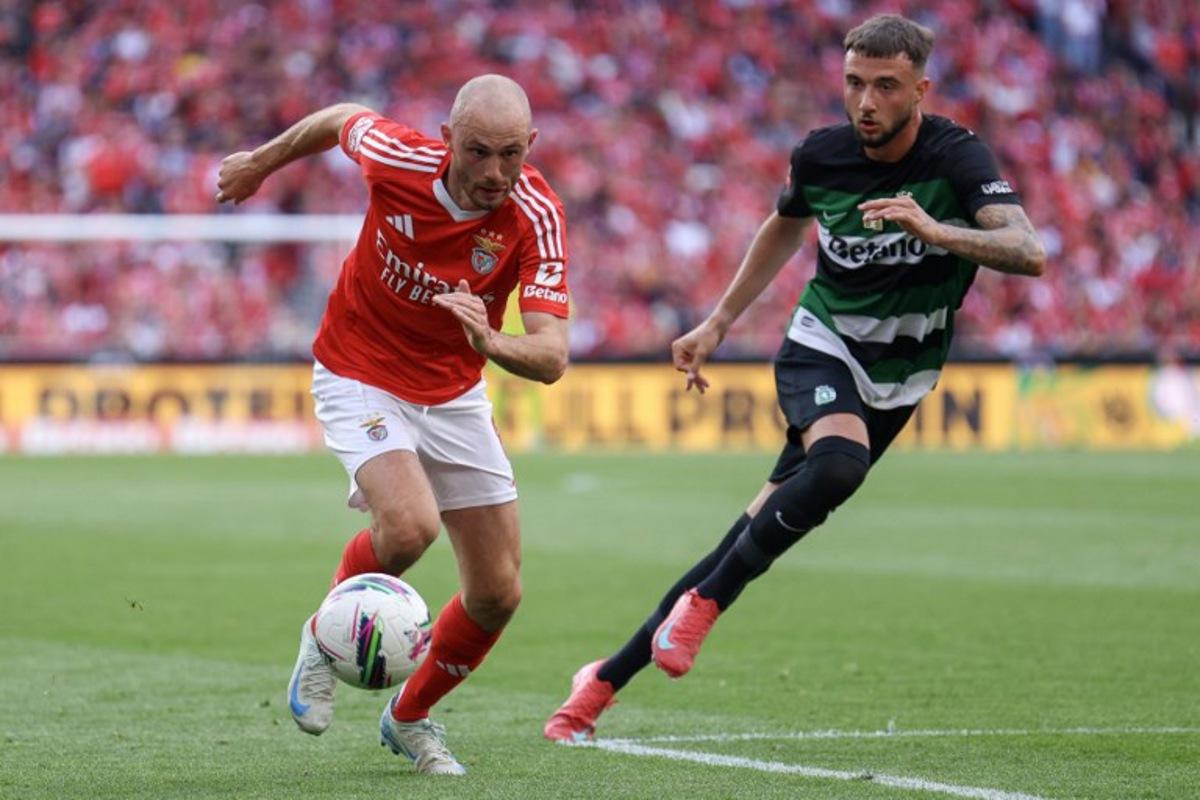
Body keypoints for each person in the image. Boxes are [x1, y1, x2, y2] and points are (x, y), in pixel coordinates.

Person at [544, 14, 1044, 742]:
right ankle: (704, 608)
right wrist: (718, 322)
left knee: (745, 537)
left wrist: (936, 231)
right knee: (837, 467)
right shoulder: (822, 156)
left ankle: (597, 686)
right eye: (854, 83)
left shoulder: (957, 158)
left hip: (902, 374)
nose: (865, 101)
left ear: (920, 91)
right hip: (823, 342)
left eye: (885, 86)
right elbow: (784, 224)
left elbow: (1027, 250)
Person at [216, 74, 570, 774]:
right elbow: (341, 117)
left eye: (510, 154)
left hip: (455, 389)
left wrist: (489, 341)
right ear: (447, 140)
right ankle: (322, 638)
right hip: (360, 369)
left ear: (530, 144)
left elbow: (553, 355)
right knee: (409, 527)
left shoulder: (536, 213)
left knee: (497, 592)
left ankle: (409, 718)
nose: (494, 172)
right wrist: (259, 163)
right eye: (477, 152)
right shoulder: (398, 158)